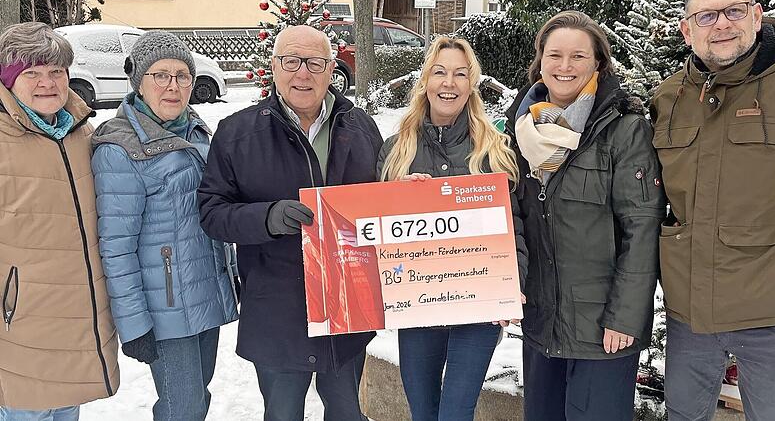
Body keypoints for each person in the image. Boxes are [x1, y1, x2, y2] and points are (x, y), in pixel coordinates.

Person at [197, 25, 383, 421]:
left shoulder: (361, 127)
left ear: (332, 69)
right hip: (278, 308)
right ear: (275, 66)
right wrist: (266, 217)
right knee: (282, 413)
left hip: (346, 308)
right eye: (292, 61)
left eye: (315, 63)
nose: (303, 73)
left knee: (348, 412)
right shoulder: (237, 134)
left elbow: (381, 201)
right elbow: (212, 213)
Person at [650, 0, 775, 419]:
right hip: (689, 312)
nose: (722, 25)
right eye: (708, 15)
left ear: (755, 16)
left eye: (734, 11)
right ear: (687, 29)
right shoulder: (670, 96)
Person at [506, 11, 665, 421]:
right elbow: (508, 216)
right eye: (554, 54)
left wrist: (625, 317)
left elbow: (642, 227)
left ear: (598, 62)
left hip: (603, 330)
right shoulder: (518, 129)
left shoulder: (623, 129)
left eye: (578, 56)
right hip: (543, 325)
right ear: (539, 61)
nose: (564, 66)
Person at [90, 31, 239, 420]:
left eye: (182, 75)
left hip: (204, 291)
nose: (173, 86)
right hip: (165, 305)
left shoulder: (195, 130)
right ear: (138, 81)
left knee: (197, 399)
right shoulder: (121, 149)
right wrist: (135, 323)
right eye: (160, 75)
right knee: (182, 409)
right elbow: (115, 246)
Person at [377, 36, 528, 421]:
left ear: (471, 84)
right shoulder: (396, 150)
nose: (449, 83)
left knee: (456, 412)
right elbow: (375, 231)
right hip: (418, 304)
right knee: (423, 411)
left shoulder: (494, 147)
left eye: (461, 74)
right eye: (440, 72)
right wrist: (397, 199)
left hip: (479, 303)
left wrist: (515, 283)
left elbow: (516, 225)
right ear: (426, 80)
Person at [0, 22, 120, 420]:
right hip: (19, 332)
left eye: (56, 72)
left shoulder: (81, 134)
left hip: (76, 329)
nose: (46, 83)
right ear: (8, 81)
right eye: (31, 73)